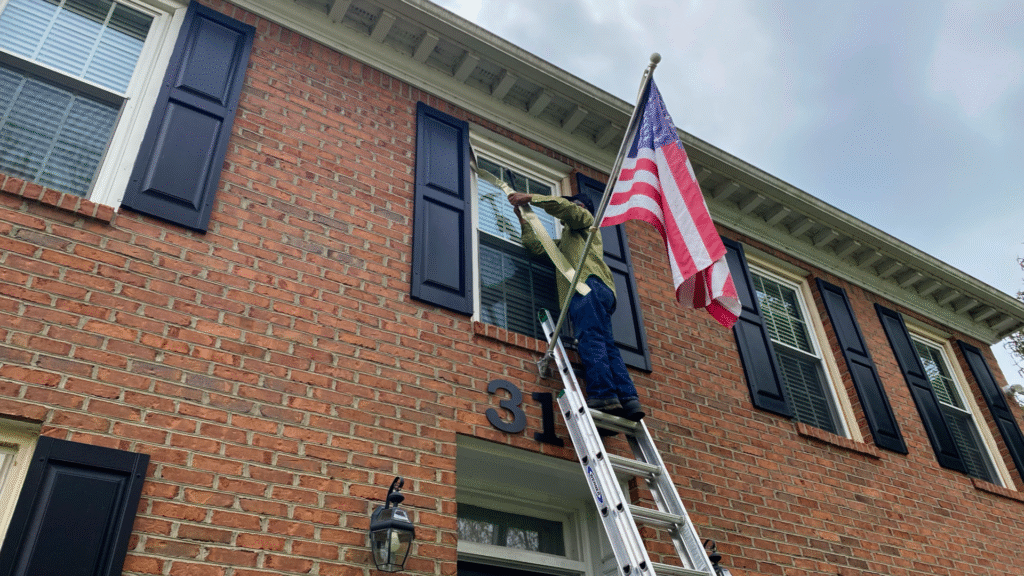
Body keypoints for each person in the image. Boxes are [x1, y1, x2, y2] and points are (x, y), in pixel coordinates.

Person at [508, 190, 645, 421]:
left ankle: (604, 395)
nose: (565, 213)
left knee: (590, 338)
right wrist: (523, 218)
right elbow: (538, 247)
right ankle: (628, 399)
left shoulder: (586, 222)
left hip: (586, 286)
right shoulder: (567, 243)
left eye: (571, 206)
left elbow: (570, 210)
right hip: (598, 290)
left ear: (581, 206)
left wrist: (531, 198)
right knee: (606, 345)